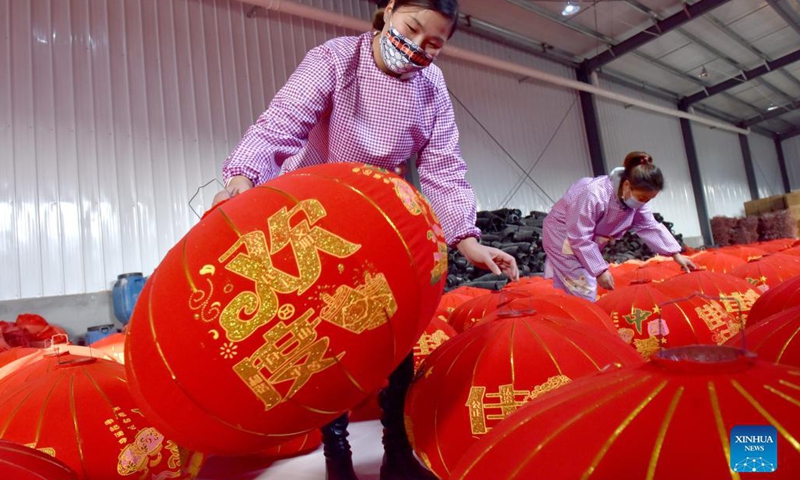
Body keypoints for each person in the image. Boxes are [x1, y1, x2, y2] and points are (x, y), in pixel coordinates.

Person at [214, 1, 518, 478]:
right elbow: (283, 122)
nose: (416, 49)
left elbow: (443, 166)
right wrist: (243, 177)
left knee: (393, 336)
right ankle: (337, 455)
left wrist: (466, 238)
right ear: (389, 9)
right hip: (315, 215)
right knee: (327, 340)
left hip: (380, 217)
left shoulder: (430, 87)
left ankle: (397, 452)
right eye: (411, 29)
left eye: (433, 45)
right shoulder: (336, 59)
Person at [543, 151, 696, 301]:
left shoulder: (636, 201)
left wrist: (676, 255)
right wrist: (600, 271)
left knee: (571, 286)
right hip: (563, 235)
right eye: (642, 197)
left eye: (649, 199)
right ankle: (587, 321)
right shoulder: (593, 194)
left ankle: (569, 316)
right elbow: (579, 237)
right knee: (583, 286)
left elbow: (649, 226)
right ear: (627, 185)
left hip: (587, 239)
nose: (644, 202)